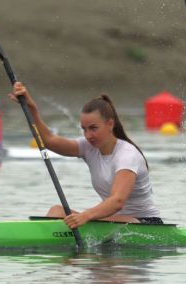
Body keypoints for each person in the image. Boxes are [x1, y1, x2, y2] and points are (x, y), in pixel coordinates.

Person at [10, 82, 162, 229]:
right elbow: (48, 140)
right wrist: (31, 108)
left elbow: (117, 201)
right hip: (113, 220)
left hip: (145, 224)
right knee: (57, 211)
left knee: (72, 218)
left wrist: (86, 216)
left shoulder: (127, 155)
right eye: (84, 129)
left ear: (110, 124)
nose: (88, 135)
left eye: (93, 128)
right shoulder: (88, 148)